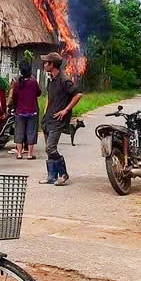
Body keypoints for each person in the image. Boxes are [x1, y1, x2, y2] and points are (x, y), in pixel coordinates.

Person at [39, 52, 82, 186]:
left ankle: (63, 174)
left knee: (51, 148)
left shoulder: (64, 79)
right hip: (48, 119)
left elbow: (78, 94)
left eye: (46, 62)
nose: (44, 64)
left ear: (52, 64)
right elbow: (49, 98)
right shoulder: (51, 78)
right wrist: (45, 114)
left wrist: (66, 110)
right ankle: (51, 176)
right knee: (48, 148)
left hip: (58, 120)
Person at [10, 59, 42, 160]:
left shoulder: (16, 83)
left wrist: (15, 107)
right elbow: (39, 93)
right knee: (31, 132)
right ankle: (29, 154)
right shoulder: (33, 82)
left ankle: (19, 153)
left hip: (20, 111)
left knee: (19, 132)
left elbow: (14, 96)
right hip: (32, 110)